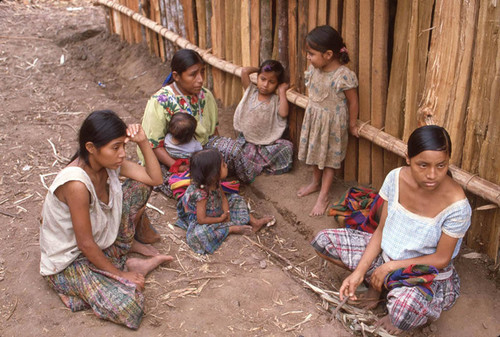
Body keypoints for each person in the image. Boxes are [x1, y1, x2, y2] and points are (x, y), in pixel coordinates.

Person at [311, 125, 472, 334]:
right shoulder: (395, 178)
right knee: (323, 241)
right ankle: (379, 286)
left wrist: (389, 268)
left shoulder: (457, 206)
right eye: (422, 165)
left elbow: (441, 259)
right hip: (386, 258)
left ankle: (394, 300)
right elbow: (381, 230)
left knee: (403, 312)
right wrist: (359, 274)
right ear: (408, 158)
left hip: (423, 273)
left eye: (441, 166)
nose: (432, 174)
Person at [40, 110, 173, 329]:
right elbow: (84, 244)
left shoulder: (107, 164)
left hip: (100, 243)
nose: (122, 154)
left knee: (140, 186)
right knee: (130, 306)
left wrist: (142, 142)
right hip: (71, 261)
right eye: (115, 147)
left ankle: (121, 266)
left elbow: (154, 179)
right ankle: (103, 277)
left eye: (124, 146)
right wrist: (122, 276)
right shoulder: (76, 184)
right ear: (91, 148)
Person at [140, 49, 259, 198]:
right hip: (172, 158)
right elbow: (155, 145)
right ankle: (210, 184)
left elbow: (214, 132)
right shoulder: (160, 101)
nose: (200, 79)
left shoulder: (205, 96)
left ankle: (248, 178)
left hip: (202, 152)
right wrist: (176, 167)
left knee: (233, 149)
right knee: (185, 187)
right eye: (193, 74)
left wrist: (215, 159)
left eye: (202, 72)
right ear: (176, 76)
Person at [297, 25, 359, 216]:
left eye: (312, 53)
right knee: (315, 153)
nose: (308, 57)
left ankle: (324, 195)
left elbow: (353, 101)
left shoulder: (343, 75)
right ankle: (315, 183)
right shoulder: (315, 69)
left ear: (328, 54)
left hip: (332, 124)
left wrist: (352, 124)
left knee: (329, 160)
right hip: (315, 119)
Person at [176, 149, 273, 254]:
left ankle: (255, 222)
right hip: (202, 218)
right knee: (200, 234)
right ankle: (231, 229)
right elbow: (201, 220)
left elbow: (223, 198)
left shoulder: (215, 181)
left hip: (215, 209)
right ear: (213, 174)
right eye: (223, 165)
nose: (226, 166)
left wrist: (226, 213)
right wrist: (220, 219)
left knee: (236, 199)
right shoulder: (201, 194)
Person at [233, 60, 293, 176]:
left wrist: (281, 92)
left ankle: (255, 164)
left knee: (287, 147)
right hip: (247, 141)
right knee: (240, 151)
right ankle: (256, 163)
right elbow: (245, 71)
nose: (265, 85)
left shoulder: (275, 100)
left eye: (271, 82)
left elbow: (284, 113)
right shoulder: (251, 91)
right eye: (263, 79)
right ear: (258, 77)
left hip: (266, 144)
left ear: (277, 84)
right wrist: (261, 68)